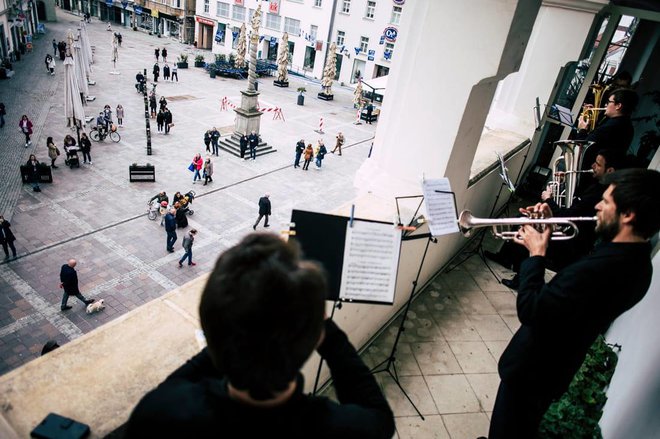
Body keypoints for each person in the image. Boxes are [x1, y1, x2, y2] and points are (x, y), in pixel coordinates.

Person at [124, 233, 395, 438]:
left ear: (211, 334)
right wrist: (328, 333)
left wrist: (236, 326)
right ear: (315, 339)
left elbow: (185, 374)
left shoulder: (159, 414)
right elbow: (380, 417)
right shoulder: (347, 429)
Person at [487, 168, 660, 439]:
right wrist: (549, 226)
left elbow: (531, 309)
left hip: (532, 372)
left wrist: (535, 254)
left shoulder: (605, 268)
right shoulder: (636, 261)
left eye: (606, 202)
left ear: (628, 215)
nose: (598, 206)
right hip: (555, 369)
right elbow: (574, 285)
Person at [490, 149, 625, 289]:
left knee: (530, 228)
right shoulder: (597, 184)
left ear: (610, 170)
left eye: (598, 164)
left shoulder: (599, 194)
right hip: (570, 229)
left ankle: (521, 280)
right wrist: (562, 184)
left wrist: (548, 199)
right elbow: (574, 204)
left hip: (572, 243)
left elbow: (565, 216)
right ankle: (506, 258)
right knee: (522, 218)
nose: (592, 166)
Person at [576, 88, 638, 176]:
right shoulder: (626, 125)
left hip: (588, 172)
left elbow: (582, 147)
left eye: (609, 102)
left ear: (618, 106)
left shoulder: (611, 126)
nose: (606, 105)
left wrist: (582, 129)